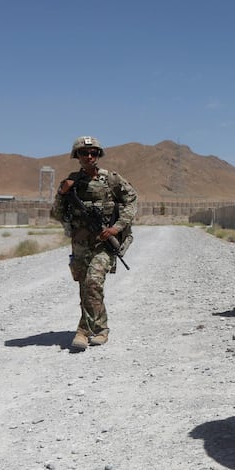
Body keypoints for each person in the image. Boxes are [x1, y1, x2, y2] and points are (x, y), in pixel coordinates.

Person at [51, 136, 137, 350]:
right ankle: (95, 328)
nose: (89, 156)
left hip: (103, 242)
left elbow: (131, 201)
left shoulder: (112, 179)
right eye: (84, 153)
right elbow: (57, 214)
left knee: (93, 282)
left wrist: (116, 228)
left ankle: (87, 331)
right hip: (80, 243)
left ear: (99, 155)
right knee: (85, 288)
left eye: (93, 153)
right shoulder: (71, 182)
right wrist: (62, 194)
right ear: (76, 156)